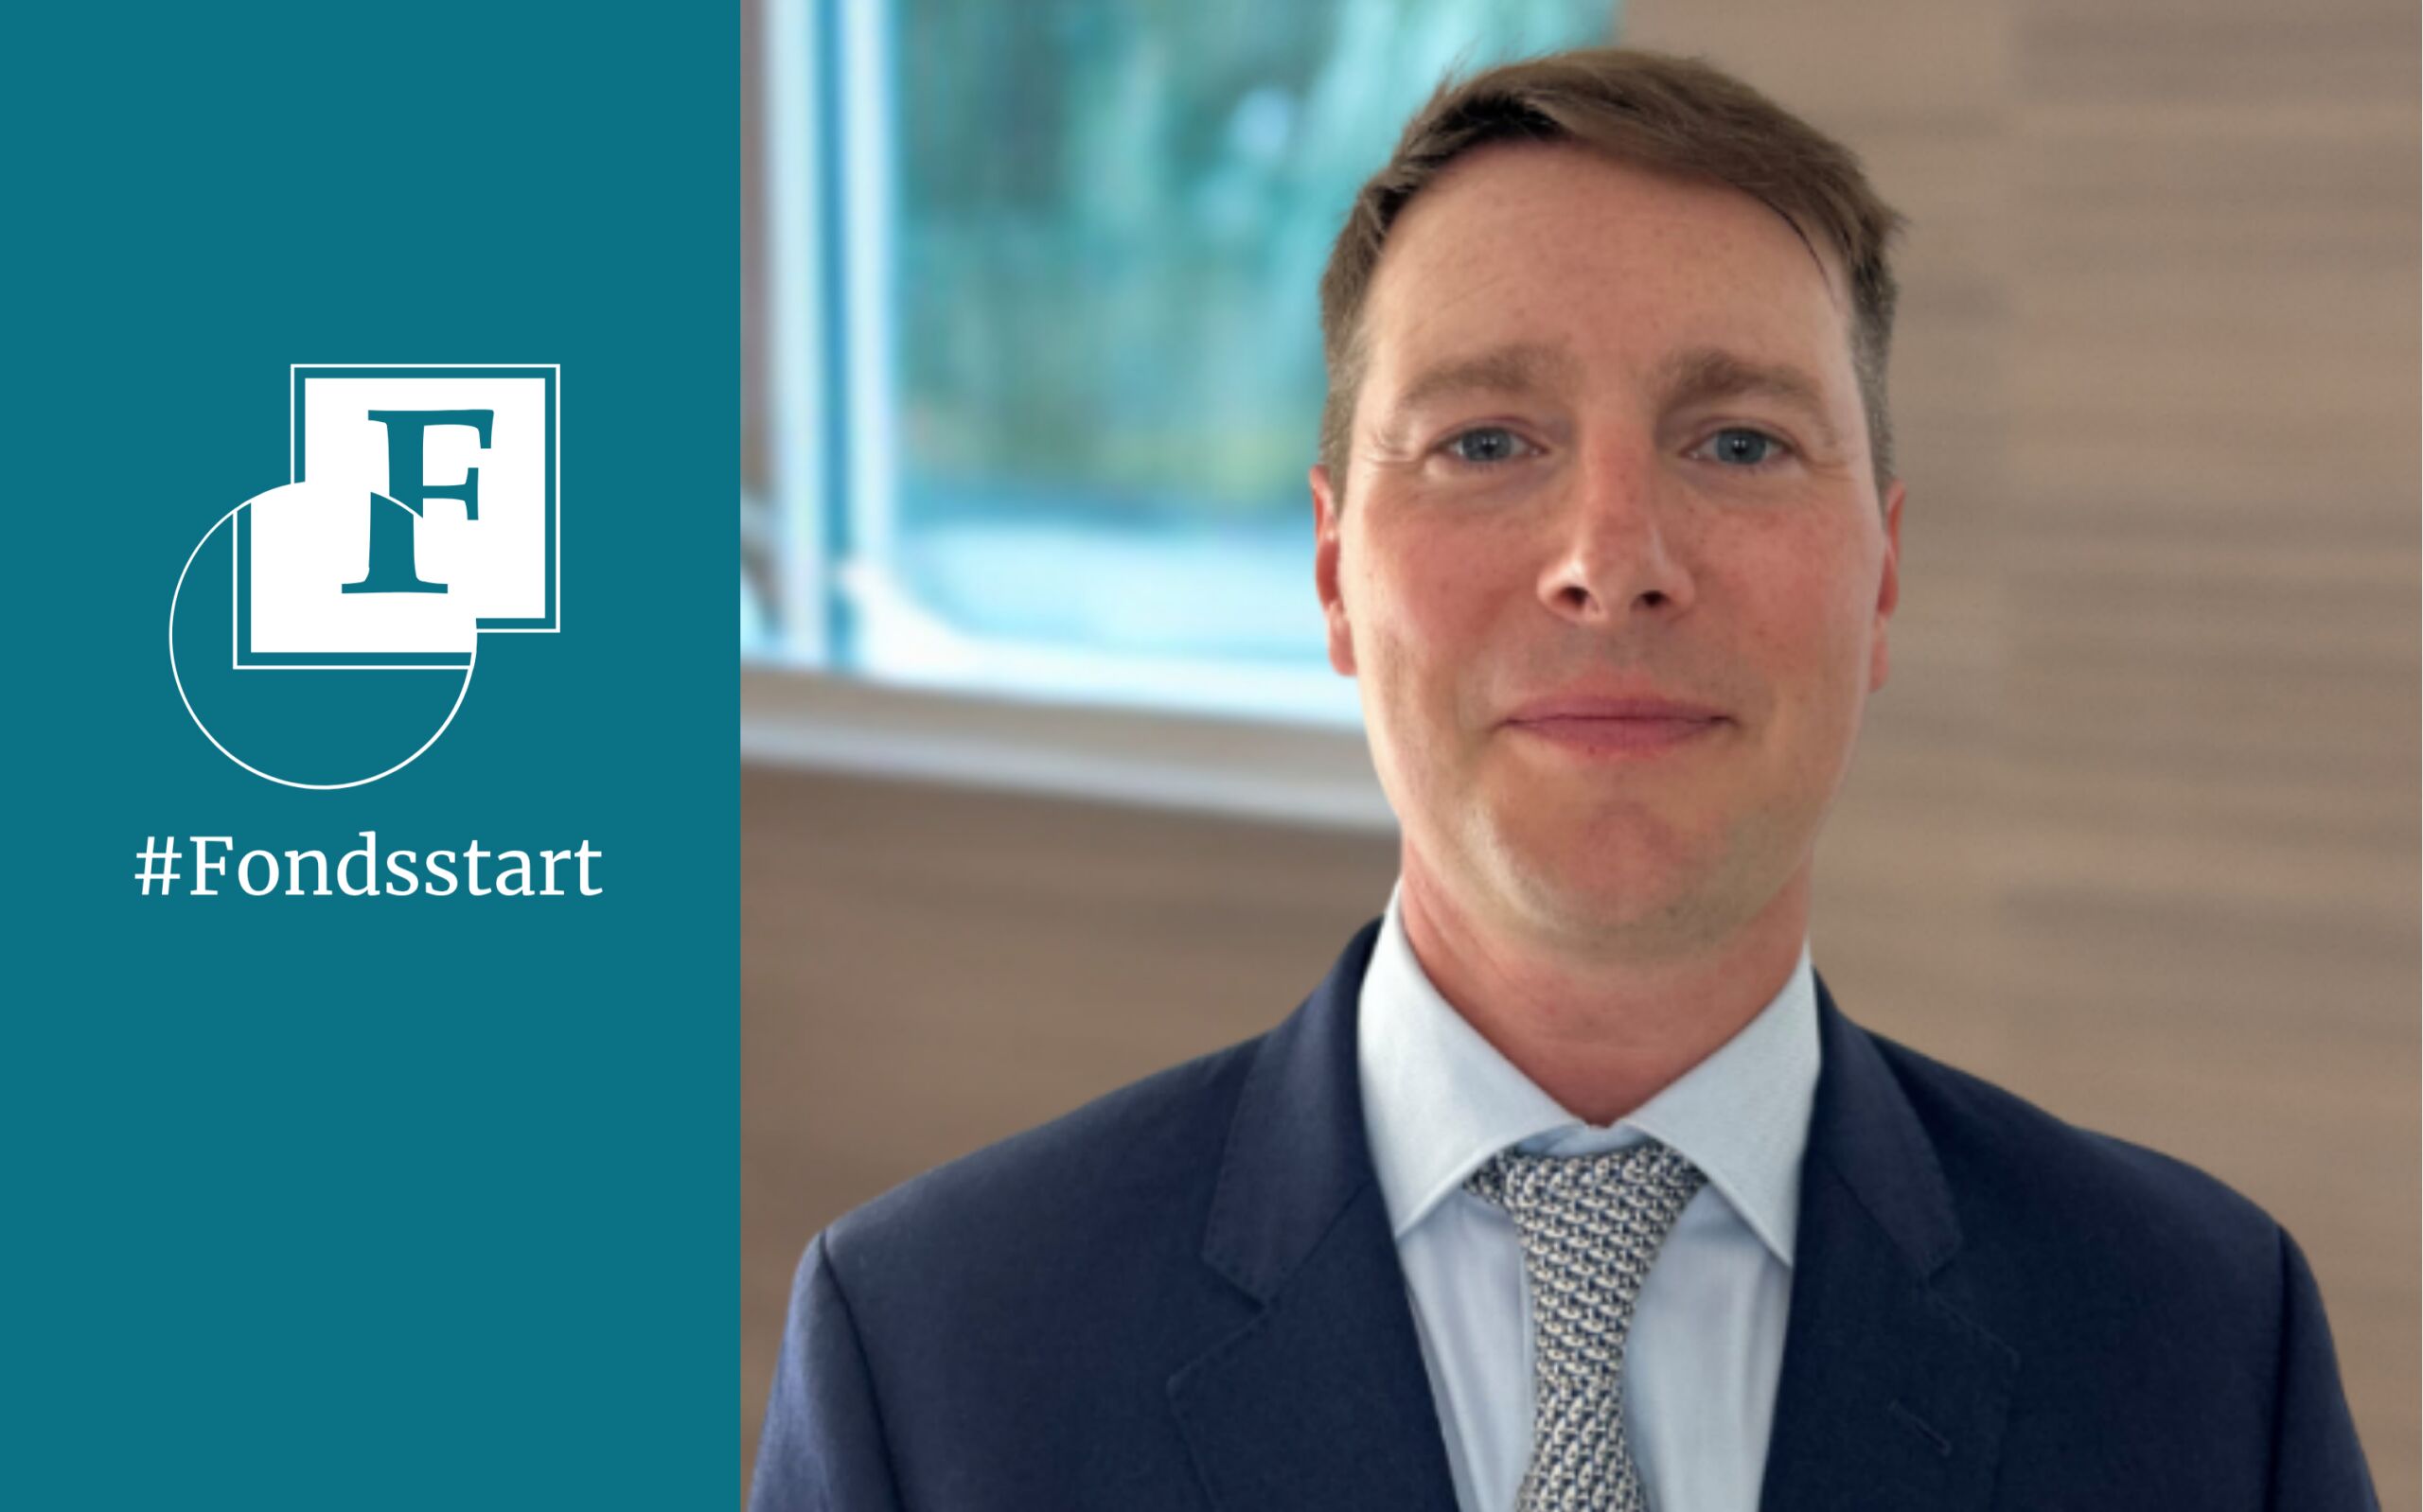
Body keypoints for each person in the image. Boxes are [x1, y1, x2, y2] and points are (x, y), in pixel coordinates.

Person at [748, 47, 2378, 1512]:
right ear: (1332, 573)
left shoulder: (2207, 1349)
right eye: (1486, 442)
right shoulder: (934, 1359)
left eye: (1737, 441)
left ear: (1882, 579)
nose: (1612, 559)